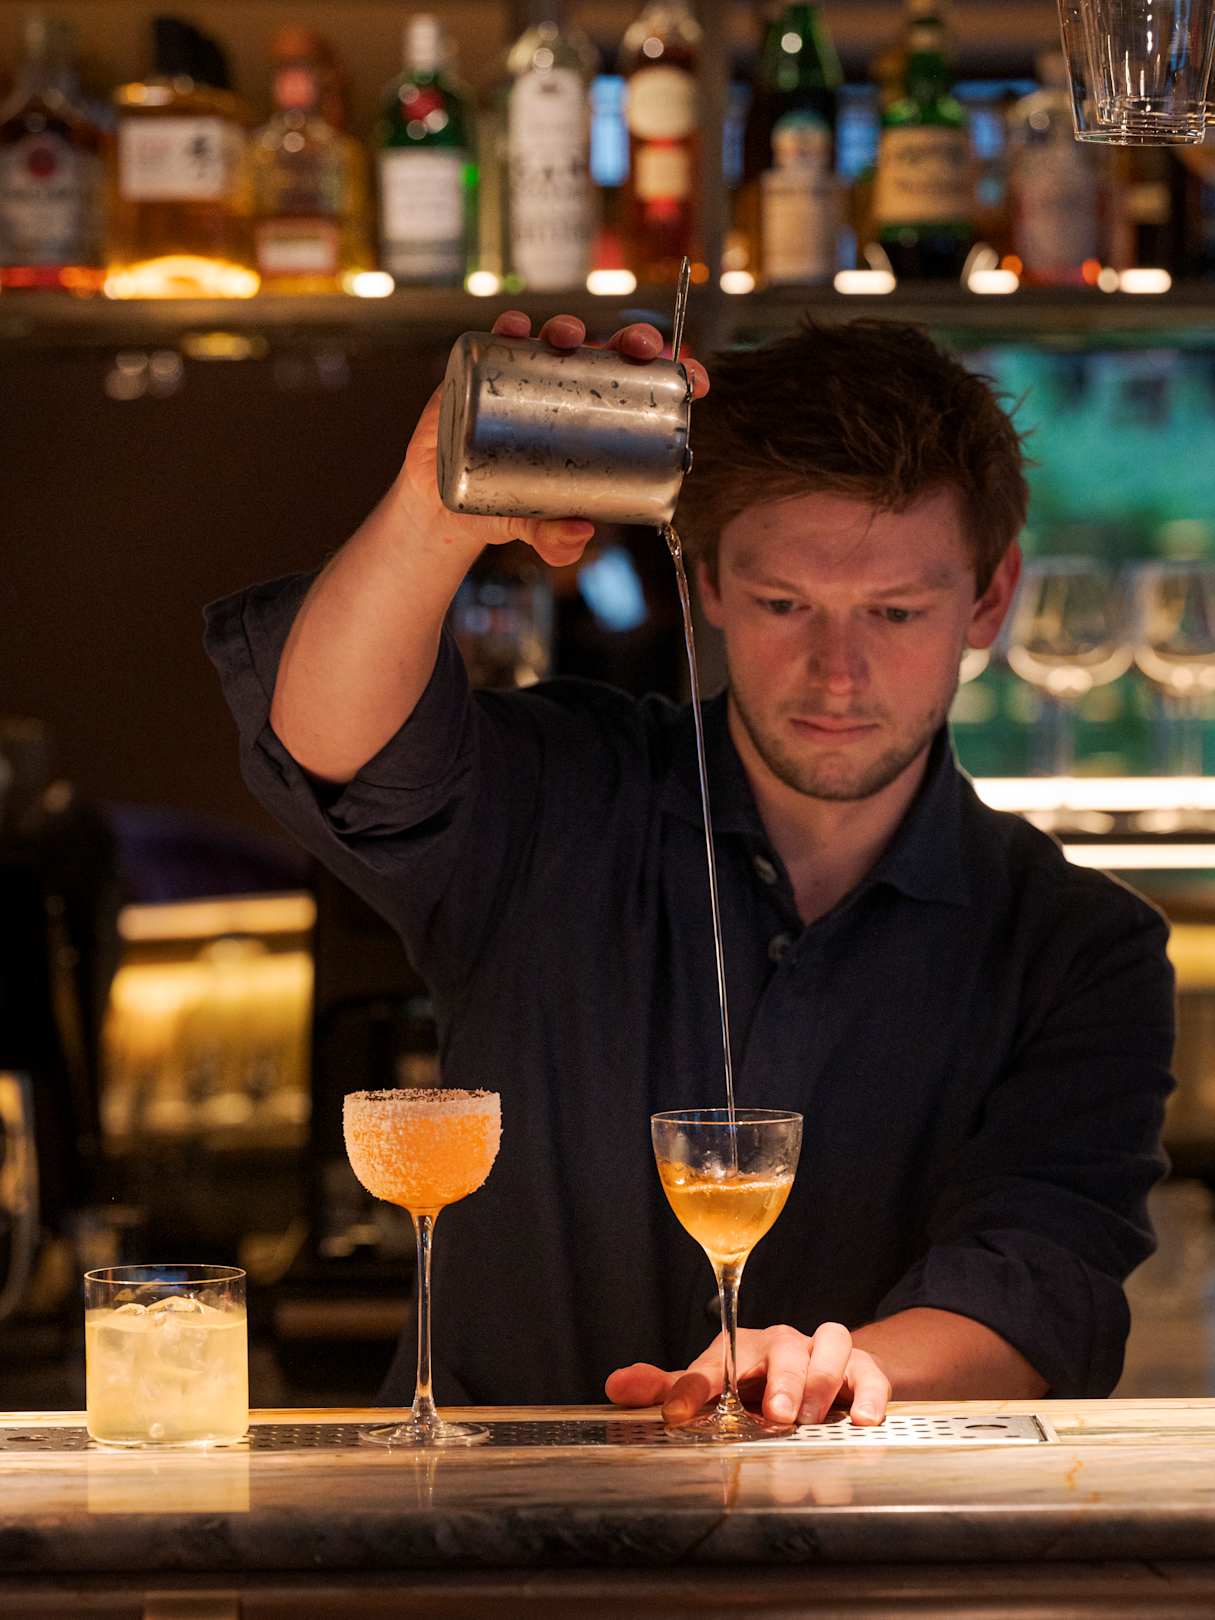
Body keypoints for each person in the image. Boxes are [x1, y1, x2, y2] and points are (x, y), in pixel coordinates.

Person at [205, 312, 1175, 1431]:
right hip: (489, 1518)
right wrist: (436, 509)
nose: (838, 670)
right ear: (707, 580)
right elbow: (337, 748)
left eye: (896, 613)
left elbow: (1040, 1280)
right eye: (783, 605)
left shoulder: (1077, 949)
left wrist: (830, 1369)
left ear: (989, 599)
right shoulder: (564, 795)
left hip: (854, 1533)